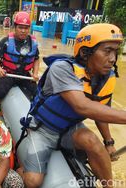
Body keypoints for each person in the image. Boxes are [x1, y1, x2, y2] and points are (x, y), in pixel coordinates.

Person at [19, 23, 125, 188]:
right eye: (107, 51)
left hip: (70, 128)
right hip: (44, 130)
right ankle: (21, 169)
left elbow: (103, 111)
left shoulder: (105, 77)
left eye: (115, 52)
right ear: (84, 52)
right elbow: (82, 107)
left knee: (92, 141)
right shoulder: (61, 69)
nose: (112, 59)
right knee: (33, 182)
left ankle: (108, 186)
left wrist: (109, 142)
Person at [0, 11, 40, 108]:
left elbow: (36, 59)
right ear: (15, 27)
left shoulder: (33, 43)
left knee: (38, 93)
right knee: (0, 92)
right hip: (8, 74)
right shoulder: (6, 41)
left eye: (26, 28)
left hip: (25, 76)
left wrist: (35, 73)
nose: (23, 31)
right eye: (20, 27)